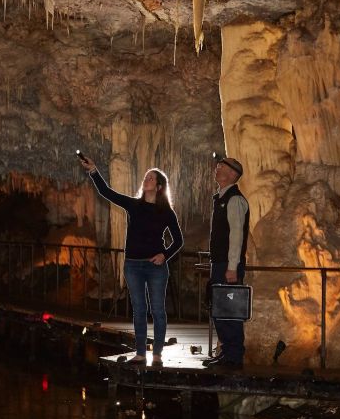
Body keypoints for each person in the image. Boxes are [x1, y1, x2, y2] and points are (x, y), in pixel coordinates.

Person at [80, 155, 183, 366]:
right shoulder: (134, 205)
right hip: (133, 265)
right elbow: (106, 192)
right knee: (138, 309)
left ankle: (157, 355)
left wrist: (165, 255)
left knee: (157, 309)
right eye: (146, 177)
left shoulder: (166, 212)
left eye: (151, 178)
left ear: (160, 186)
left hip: (156, 267)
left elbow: (179, 240)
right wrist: (94, 171)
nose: (146, 180)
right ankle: (140, 353)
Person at [203, 155, 249, 370]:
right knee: (220, 309)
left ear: (233, 174)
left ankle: (234, 356)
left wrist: (232, 266)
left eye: (222, 166)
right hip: (220, 262)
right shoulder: (221, 198)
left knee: (229, 310)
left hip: (228, 265)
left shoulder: (235, 199)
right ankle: (226, 353)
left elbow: (236, 235)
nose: (217, 168)